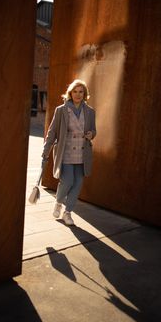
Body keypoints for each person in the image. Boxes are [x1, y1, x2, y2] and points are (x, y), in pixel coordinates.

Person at [42, 79, 96, 225]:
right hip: (65, 152)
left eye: (81, 92)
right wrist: (46, 151)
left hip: (82, 153)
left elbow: (93, 130)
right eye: (75, 91)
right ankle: (59, 202)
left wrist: (91, 134)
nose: (78, 94)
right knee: (67, 181)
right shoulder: (61, 110)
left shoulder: (90, 112)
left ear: (85, 94)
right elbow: (52, 132)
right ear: (70, 93)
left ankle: (67, 213)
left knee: (78, 183)